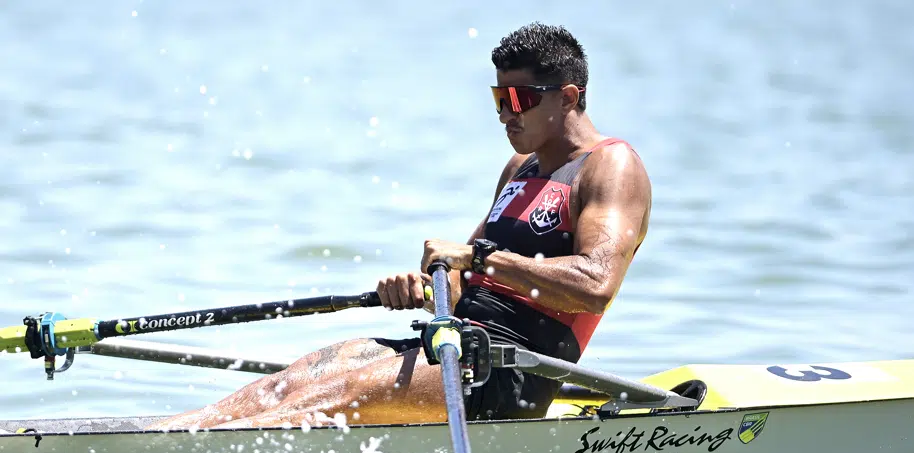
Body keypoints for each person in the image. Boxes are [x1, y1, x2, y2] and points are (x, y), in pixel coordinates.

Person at [148, 22, 651, 431]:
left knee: (335, 394)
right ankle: (167, 435)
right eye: (498, 98)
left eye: (518, 99)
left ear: (567, 97)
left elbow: (596, 286)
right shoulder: (520, 169)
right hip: (451, 342)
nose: (505, 115)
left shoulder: (611, 167)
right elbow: (462, 285)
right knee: (291, 382)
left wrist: (479, 258)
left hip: (509, 371)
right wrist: (425, 288)